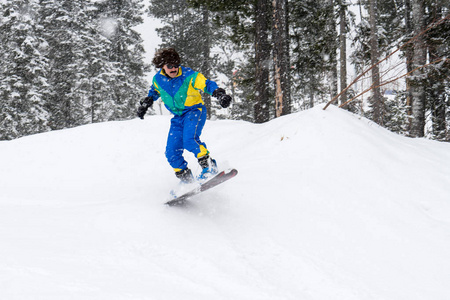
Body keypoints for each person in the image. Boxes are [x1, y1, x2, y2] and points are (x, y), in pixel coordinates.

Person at [137, 48, 232, 183]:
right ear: (162, 66)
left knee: (189, 140)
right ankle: (188, 182)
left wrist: (219, 94)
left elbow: (205, 84)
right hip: (178, 117)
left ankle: (209, 166)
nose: (174, 69)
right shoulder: (158, 79)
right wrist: (147, 102)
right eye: (170, 66)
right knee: (171, 152)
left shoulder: (188, 75)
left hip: (194, 111)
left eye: (176, 65)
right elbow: (154, 91)